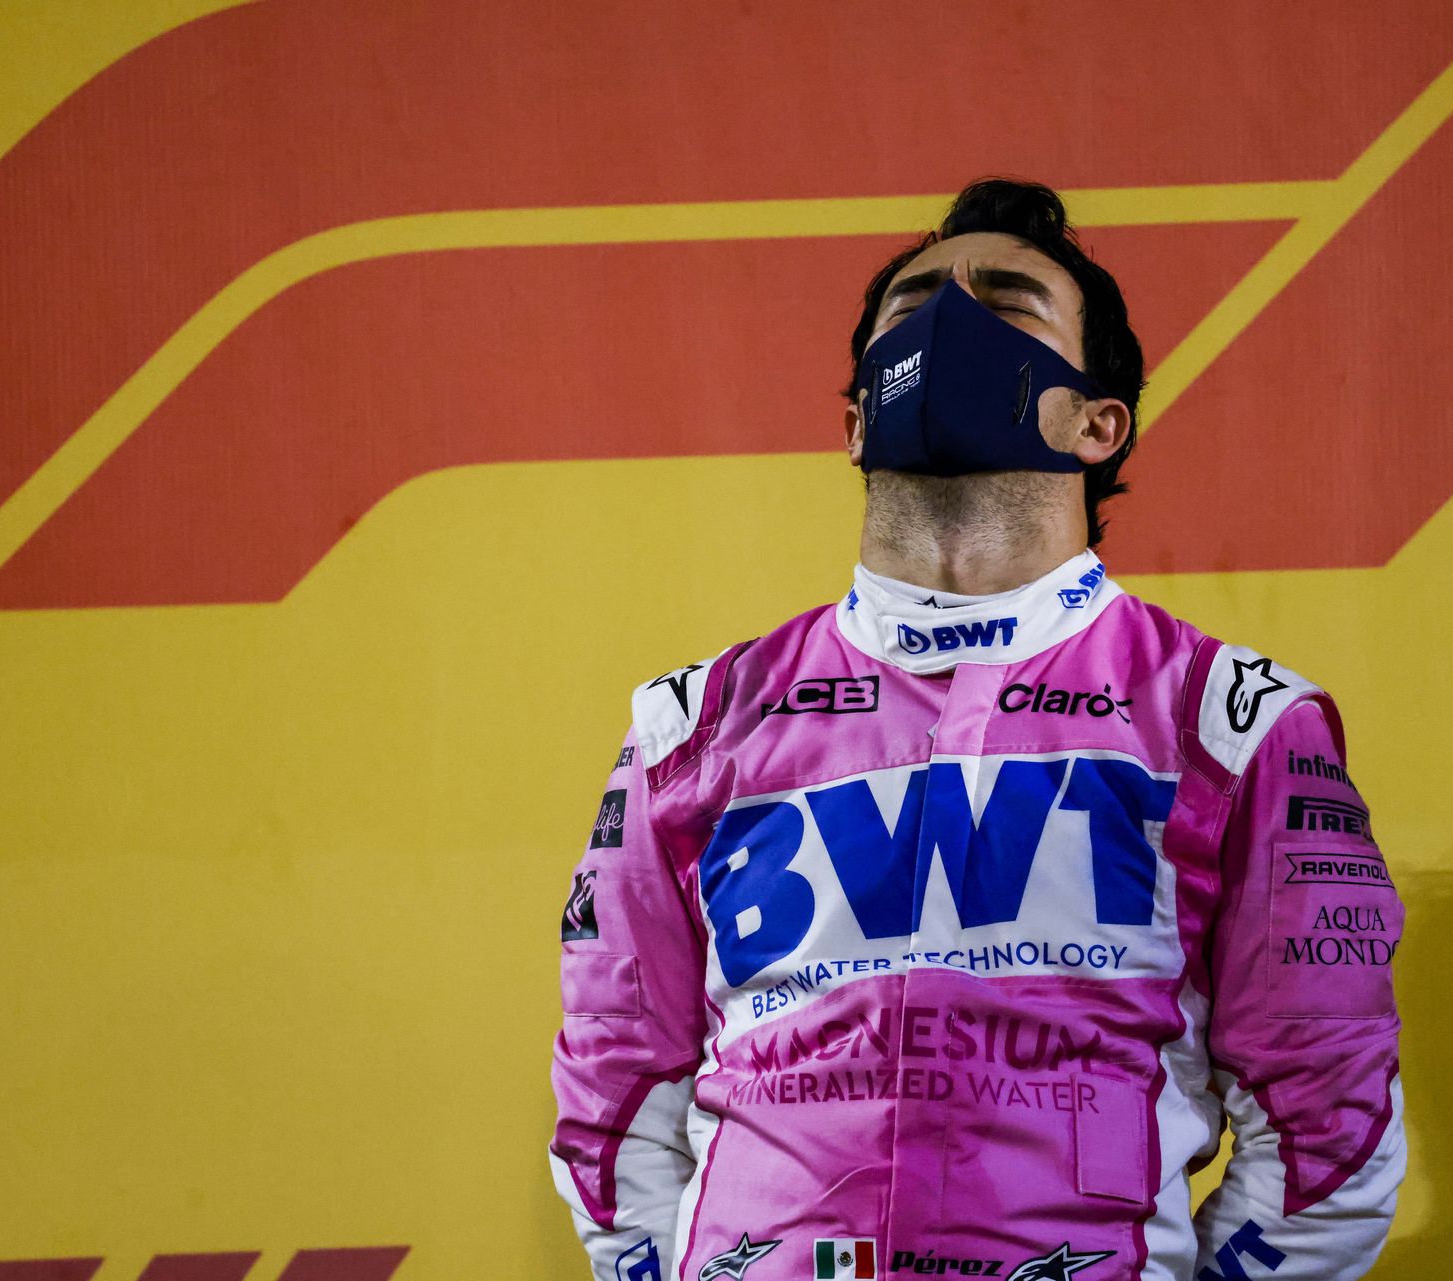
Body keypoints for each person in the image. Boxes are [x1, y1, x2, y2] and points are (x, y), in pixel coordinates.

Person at [549, 178, 1406, 1281]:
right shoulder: (691, 726)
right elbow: (614, 1100)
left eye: (1006, 301)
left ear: (1097, 422)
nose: (950, 317)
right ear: (856, 421)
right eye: (912, 307)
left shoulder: (1233, 725)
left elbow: (1328, 1129)